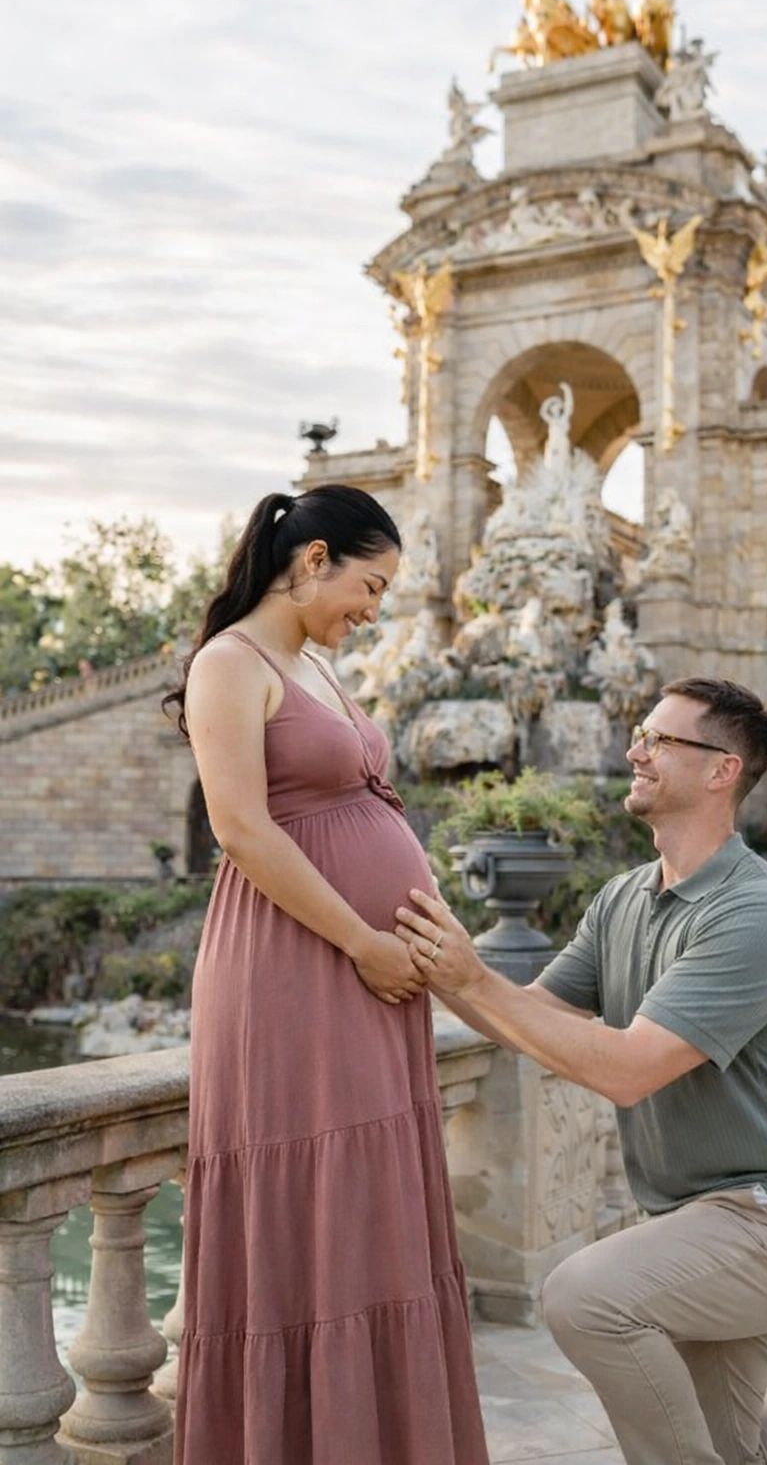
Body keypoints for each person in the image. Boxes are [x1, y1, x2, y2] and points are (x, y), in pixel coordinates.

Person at [396, 677, 767, 1465]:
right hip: (690, 1222)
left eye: (658, 739)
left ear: (722, 770)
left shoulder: (761, 911)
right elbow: (528, 1017)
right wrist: (432, 965)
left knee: (585, 1296)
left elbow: (627, 1071)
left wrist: (473, 978)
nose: (634, 751)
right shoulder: (622, 900)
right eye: (639, 735)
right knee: (730, 1450)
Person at [164, 485, 487, 1465]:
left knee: (370, 1205)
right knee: (315, 1199)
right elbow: (243, 830)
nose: (373, 609)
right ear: (311, 562)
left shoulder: (311, 663)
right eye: (369, 585)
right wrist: (361, 939)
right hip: (297, 968)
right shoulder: (231, 663)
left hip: (363, 974)